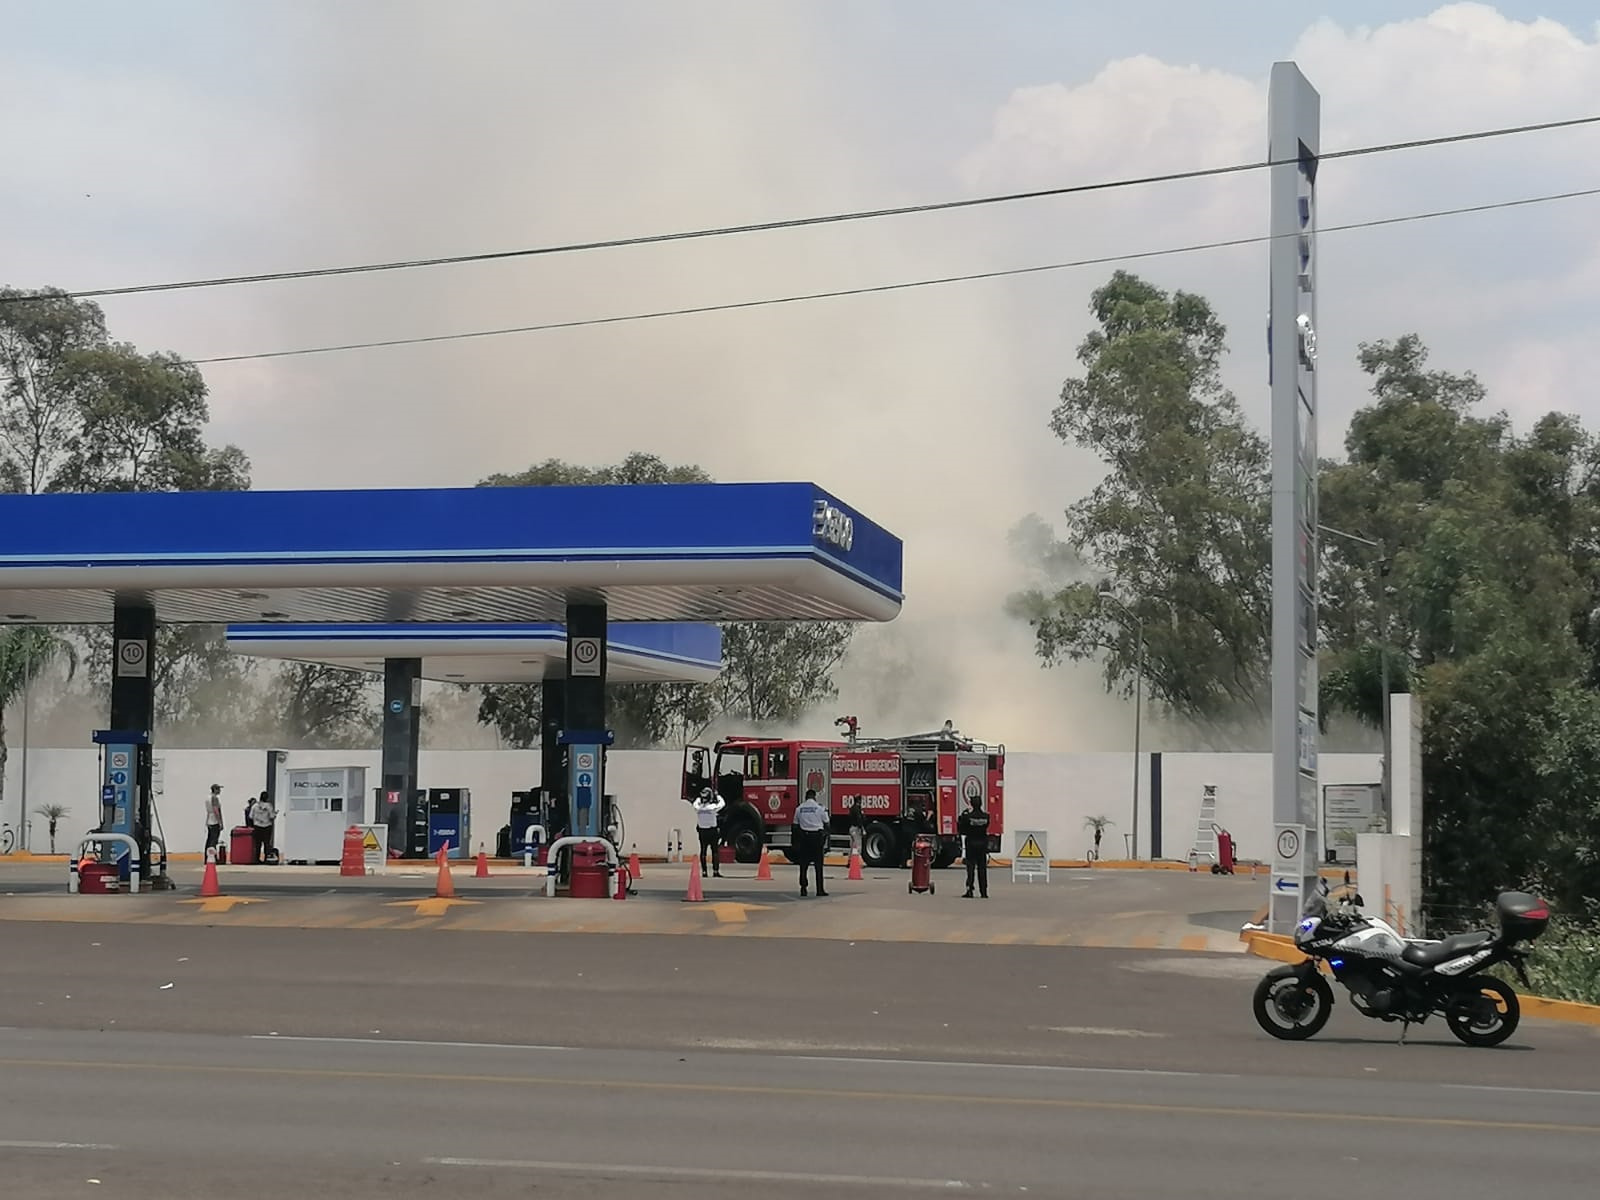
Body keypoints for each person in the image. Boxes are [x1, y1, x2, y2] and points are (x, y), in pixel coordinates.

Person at [794, 787, 828, 897]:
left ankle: (803, 888)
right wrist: (824, 838)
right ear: (814, 797)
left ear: (806, 797)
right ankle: (820, 890)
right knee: (818, 866)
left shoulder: (799, 808)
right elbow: (827, 824)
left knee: (803, 866)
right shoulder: (820, 808)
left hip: (805, 838)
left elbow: (795, 825)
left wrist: (797, 841)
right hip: (816, 838)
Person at [958, 792, 991, 899]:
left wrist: (962, 817)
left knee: (970, 868)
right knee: (982, 869)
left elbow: (961, 829)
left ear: (971, 804)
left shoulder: (968, 816)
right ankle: (984, 892)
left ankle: (970, 890)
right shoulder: (986, 817)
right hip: (982, 844)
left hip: (971, 844)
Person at [690, 786, 725, 878]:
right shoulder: (712, 807)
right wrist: (717, 796)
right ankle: (715, 871)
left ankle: (704, 872)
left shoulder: (698, 808)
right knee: (715, 852)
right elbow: (722, 804)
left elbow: (695, 803)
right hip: (712, 831)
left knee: (703, 851)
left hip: (702, 831)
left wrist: (699, 798)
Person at [248, 791, 276, 865]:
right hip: (267, 827)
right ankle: (266, 859)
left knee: (258, 844)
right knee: (267, 843)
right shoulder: (269, 806)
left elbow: (250, 816)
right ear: (267, 798)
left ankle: (257, 859)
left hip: (257, 827)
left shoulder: (255, 806)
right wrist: (274, 815)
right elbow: (272, 816)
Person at [204, 784, 224, 857]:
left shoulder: (207, 798)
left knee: (209, 840)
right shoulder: (214, 798)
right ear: (215, 789)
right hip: (214, 821)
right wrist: (220, 822)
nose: (220, 791)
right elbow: (216, 810)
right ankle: (212, 856)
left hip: (209, 820)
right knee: (214, 840)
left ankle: (207, 856)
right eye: (218, 789)